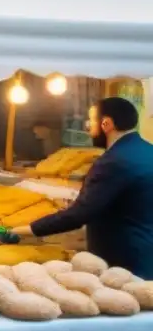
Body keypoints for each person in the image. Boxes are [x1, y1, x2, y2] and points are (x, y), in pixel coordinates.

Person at [12, 97, 153, 278]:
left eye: (91, 122)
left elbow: (80, 214)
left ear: (106, 124)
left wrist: (27, 230)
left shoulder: (112, 162)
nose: (88, 128)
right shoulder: (149, 151)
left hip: (124, 264)